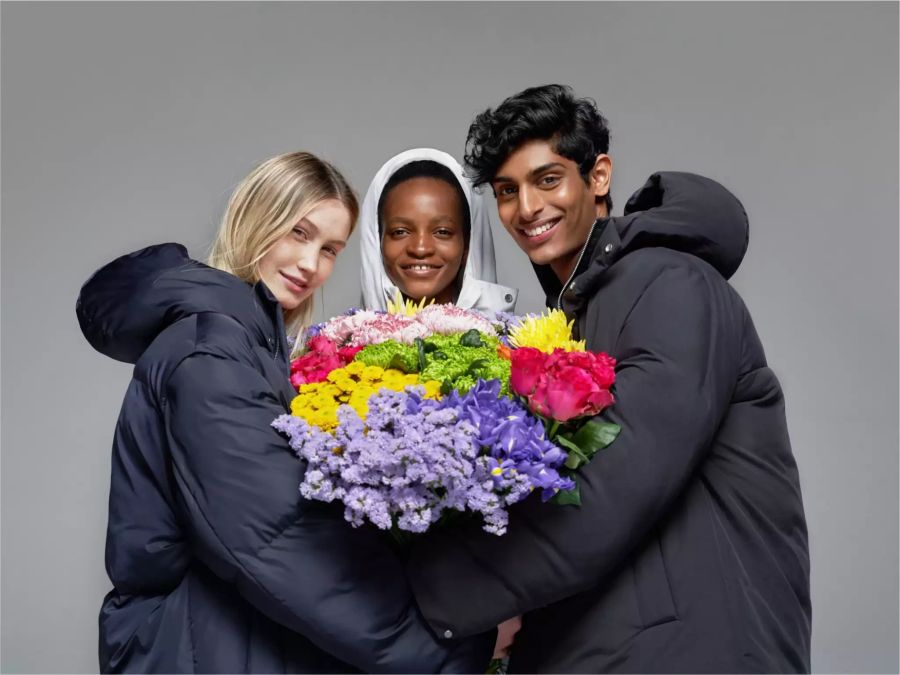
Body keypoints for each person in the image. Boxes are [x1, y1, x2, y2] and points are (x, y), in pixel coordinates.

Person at [406, 85, 812, 673]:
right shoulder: (572, 317)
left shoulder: (671, 284)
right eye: (506, 192)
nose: (527, 208)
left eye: (548, 180)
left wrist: (425, 592)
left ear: (598, 177)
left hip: (693, 650)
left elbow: (611, 493)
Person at [76, 151, 496, 673]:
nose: (310, 265)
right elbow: (278, 543)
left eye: (329, 250)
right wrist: (449, 654)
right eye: (298, 232)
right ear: (253, 216)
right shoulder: (211, 352)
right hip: (197, 647)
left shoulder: (245, 346)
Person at [359, 147, 517, 312]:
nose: (420, 249)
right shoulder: (342, 335)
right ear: (378, 242)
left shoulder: (514, 337)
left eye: (442, 232)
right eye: (400, 232)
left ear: (467, 246)